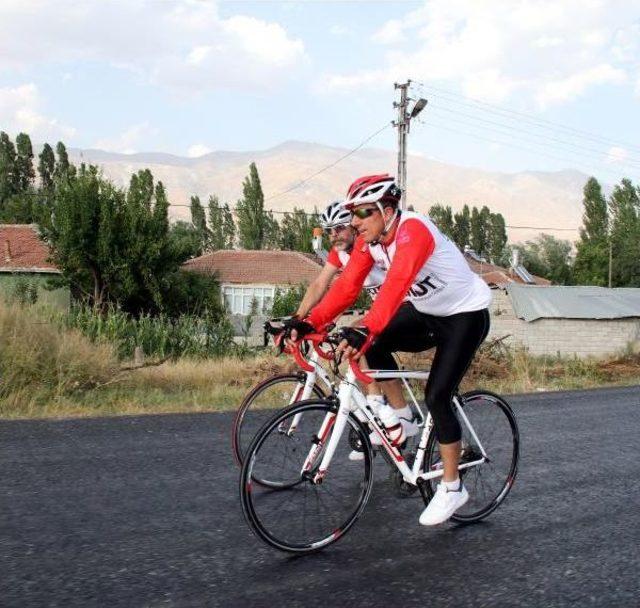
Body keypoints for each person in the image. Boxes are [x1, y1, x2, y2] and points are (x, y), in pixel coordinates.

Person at [286, 174, 492, 526]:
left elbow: (395, 287)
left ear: (388, 209)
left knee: (438, 396)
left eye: (363, 213)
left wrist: (364, 327)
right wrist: (308, 322)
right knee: (371, 341)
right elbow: (347, 286)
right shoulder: (372, 241)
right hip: (427, 313)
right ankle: (405, 418)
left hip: (465, 316)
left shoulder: (414, 231)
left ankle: (453, 486)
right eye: (353, 214)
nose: (354, 222)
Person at [294, 201, 384, 318]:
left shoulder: (369, 244)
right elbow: (319, 285)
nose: (334, 235)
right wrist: (297, 317)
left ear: (353, 227)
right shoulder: (339, 252)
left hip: (406, 304)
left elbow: (347, 290)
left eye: (339, 228)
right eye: (328, 231)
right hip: (384, 307)